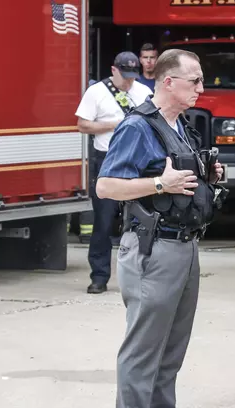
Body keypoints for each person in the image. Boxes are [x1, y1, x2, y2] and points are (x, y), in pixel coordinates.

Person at [95, 49, 223, 408]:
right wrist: (158, 184)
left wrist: (207, 174)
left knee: (172, 345)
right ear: (167, 81)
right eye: (195, 81)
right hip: (153, 248)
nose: (201, 89)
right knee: (144, 345)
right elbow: (106, 187)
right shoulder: (137, 127)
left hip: (184, 245)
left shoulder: (180, 125)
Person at [75, 52, 153, 294]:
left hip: (138, 161)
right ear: (113, 70)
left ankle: (143, 274)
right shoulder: (97, 92)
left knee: (143, 219)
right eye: (124, 76)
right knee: (104, 222)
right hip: (107, 160)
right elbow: (82, 124)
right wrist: (114, 125)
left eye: (132, 76)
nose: (128, 82)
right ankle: (99, 276)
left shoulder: (143, 93)